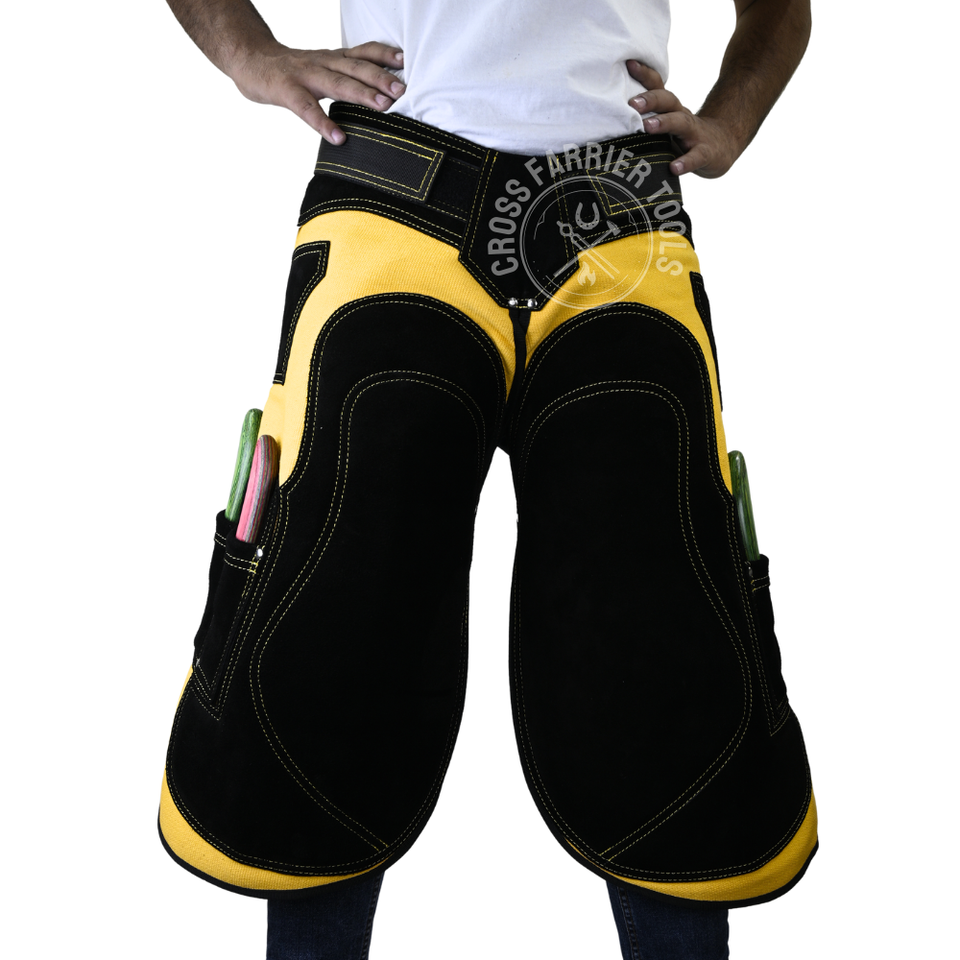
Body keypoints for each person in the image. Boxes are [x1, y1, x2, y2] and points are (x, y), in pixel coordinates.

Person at [157, 2, 817, 958]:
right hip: (396, 194)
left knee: (666, 647)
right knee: (332, 631)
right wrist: (248, 55)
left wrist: (731, 122)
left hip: (617, 204)